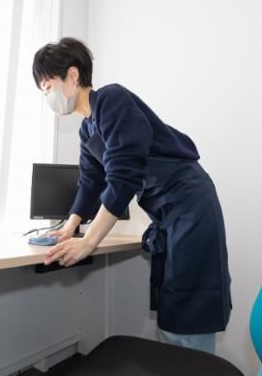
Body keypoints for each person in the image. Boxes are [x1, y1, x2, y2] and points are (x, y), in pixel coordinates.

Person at [32, 37, 231, 354]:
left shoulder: (112, 100)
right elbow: (90, 183)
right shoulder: (87, 130)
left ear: (72, 75)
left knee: (191, 305)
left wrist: (89, 242)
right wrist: (69, 228)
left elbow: (123, 178)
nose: (47, 97)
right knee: (172, 305)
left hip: (190, 205)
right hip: (167, 214)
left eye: (47, 86)